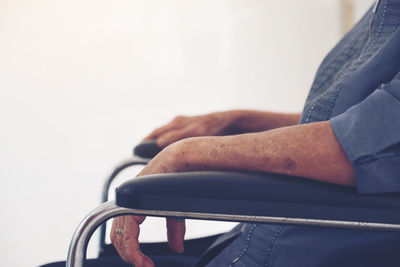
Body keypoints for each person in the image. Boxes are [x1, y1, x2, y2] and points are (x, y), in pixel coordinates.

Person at [110, 1, 400, 266]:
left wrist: (189, 154)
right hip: (250, 240)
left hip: (298, 254)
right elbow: (345, 119)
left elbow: (368, 145)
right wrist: (236, 122)